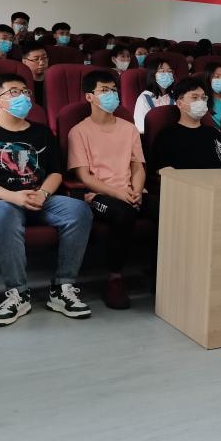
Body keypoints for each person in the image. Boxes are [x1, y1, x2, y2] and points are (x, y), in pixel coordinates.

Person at [0, 74, 93, 325]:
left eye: (25, 92)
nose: (22, 96)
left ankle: (63, 287)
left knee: (79, 210)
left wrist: (43, 194)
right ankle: (18, 293)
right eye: (14, 92)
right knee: (2, 214)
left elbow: (56, 172)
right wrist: (13, 196)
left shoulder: (42, 133)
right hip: (2, 200)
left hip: (40, 197)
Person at [67, 71, 145, 309]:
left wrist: (137, 191)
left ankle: (162, 269)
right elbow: (84, 177)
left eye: (114, 90)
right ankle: (115, 278)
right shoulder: (79, 131)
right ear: (89, 96)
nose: (111, 94)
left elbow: (138, 167)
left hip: (131, 193)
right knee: (123, 213)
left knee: (167, 207)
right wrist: (120, 194)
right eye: (104, 90)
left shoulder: (129, 128)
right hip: (98, 196)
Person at [133, 58, 175, 133]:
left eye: (169, 71)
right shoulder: (144, 98)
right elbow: (141, 129)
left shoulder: (175, 95)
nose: (167, 74)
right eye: (162, 71)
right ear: (153, 75)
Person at [20, 40, 50, 107]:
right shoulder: (20, 84)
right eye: (36, 59)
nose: (41, 63)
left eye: (44, 58)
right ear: (24, 61)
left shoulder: (54, 81)